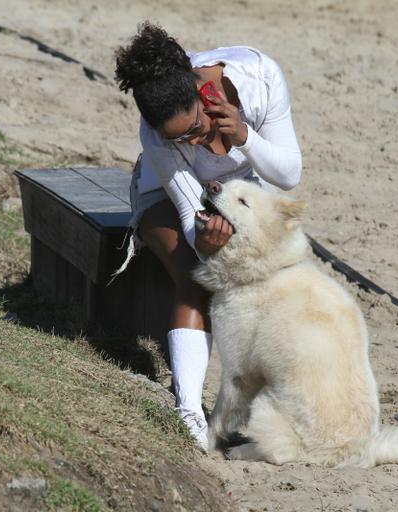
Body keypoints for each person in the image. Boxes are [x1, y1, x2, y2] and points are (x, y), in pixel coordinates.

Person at [114, 22, 302, 451]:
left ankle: (279, 409)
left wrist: (244, 136)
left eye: (195, 129)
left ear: (203, 94)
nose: (193, 141)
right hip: (162, 194)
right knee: (197, 273)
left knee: (273, 283)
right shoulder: (158, 135)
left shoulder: (259, 79)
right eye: (179, 138)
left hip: (245, 188)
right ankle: (188, 413)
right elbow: (189, 213)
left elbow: (288, 175)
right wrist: (207, 241)